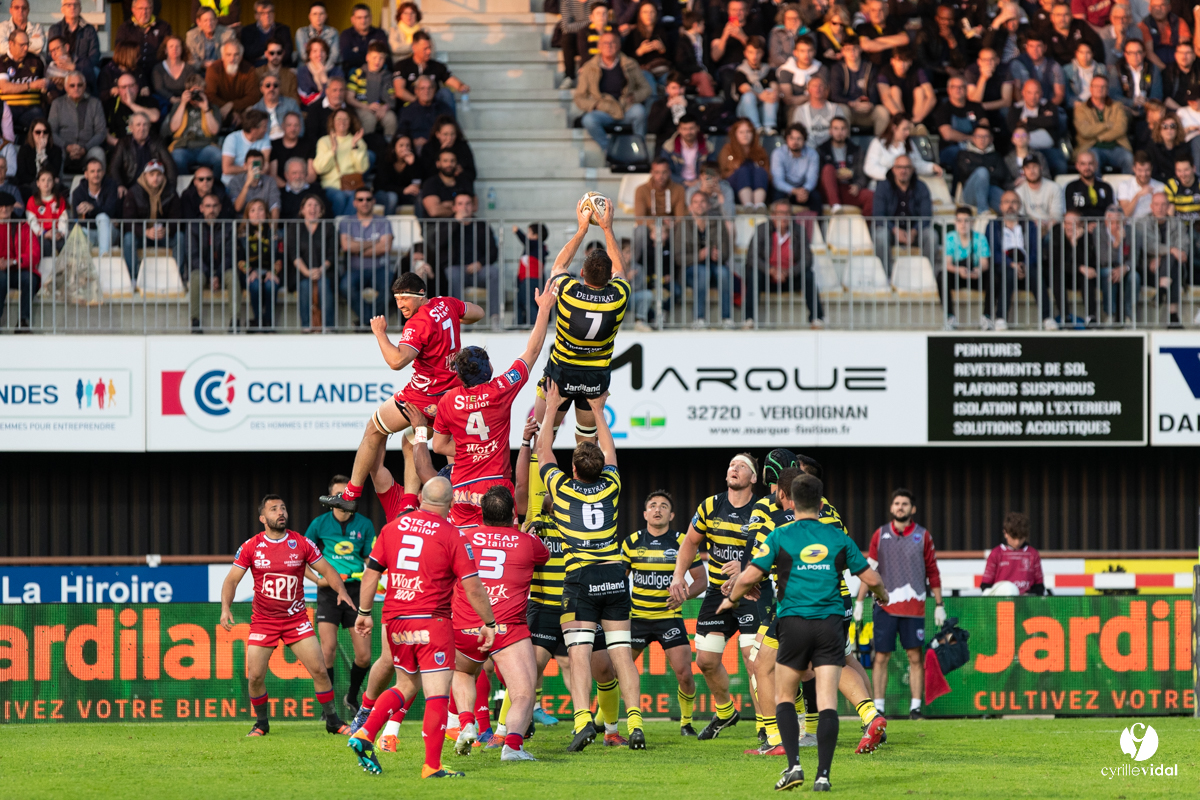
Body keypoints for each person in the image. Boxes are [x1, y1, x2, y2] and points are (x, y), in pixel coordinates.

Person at [726, 472, 888, 792]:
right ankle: (868, 716)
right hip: (835, 604)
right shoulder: (832, 519)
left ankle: (778, 742)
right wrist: (881, 594)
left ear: (785, 494)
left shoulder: (778, 522)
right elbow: (856, 565)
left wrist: (742, 582)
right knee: (837, 663)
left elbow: (760, 561)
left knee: (763, 664)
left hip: (798, 606)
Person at [347, 477, 498, 779]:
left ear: (421, 499)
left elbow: (371, 573)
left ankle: (365, 733)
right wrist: (490, 622)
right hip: (432, 621)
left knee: (405, 685)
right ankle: (432, 766)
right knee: (437, 695)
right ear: (451, 503)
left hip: (395, 620)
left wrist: (363, 612)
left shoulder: (392, 528)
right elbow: (473, 587)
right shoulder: (453, 535)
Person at [537, 379, 644, 751]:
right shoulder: (611, 485)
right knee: (622, 655)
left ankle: (583, 721)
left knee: (578, 653)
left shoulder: (562, 489)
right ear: (601, 468)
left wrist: (552, 405)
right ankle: (636, 725)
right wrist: (598, 409)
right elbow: (610, 450)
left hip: (580, 578)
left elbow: (543, 450)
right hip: (614, 576)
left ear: (573, 468)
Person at [319, 270, 483, 511]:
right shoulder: (446, 304)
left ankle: (350, 495)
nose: (400, 305)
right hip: (449, 398)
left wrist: (379, 333)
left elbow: (396, 361)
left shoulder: (418, 323)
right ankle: (409, 504)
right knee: (411, 440)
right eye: (396, 299)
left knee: (373, 429)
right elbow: (478, 312)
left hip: (421, 397)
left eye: (404, 298)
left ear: (420, 294)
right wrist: (454, 318)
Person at [219, 494, 355, 737]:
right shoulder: (251, 546)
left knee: (320, 671)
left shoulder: (301, 543)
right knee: (255, 677)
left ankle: (333, 721)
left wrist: (342, 591)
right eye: (273, 509)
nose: (281, 512)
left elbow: (327, 570)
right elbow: (231, 580)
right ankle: (262, 724)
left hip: (296, 620)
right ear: (262, 518)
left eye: (283, 508)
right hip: (264, 622)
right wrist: (225, 608)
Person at [431, 285, 553, 529]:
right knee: (501, 545)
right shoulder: (500, 390)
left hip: (462, 489)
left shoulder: (448, 400)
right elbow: (533, 351)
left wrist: (470, 448)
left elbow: (438, 446)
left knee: (467, 548)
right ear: (489, 369)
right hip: (496, 486)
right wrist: (544, 309)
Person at [447, 488, 550, 760]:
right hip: (507, 628)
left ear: (481, 513)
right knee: (524, 693)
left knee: (464, 673)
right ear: (513, 513)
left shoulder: (463, 537)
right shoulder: (528, 542)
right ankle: (513, 747)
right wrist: (524, 532)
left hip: (466, 624)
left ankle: (466, 723)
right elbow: (544, 555)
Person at [668, 454, 763, 740]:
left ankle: (765, 726)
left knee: (754, 661)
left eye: (742, 466)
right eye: (732, 465)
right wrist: (678, 575)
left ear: (754, 478)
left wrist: (746, 568)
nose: (734, 468)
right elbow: (690, 542)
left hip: (752, 593)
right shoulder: (710, 505)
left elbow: (775, 551)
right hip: (717, 593)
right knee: (706, 660)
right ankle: (725, 712)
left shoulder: (762, 509)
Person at [853, 488, 943, 721]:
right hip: (885, 607)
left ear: (913, 509)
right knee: (881, 656)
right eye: (897, 503)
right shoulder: (880, 534)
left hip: (914, 608)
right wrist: (859, 601)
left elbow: (933, 571)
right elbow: (868, 570)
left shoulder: (923, 536)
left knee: (915, 657)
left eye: (905, 504)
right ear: (891, 508)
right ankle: (878, 708)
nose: (900, 507)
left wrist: (939, 604)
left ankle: (915, 709)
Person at [624, 491, 706, 736]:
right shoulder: (631, 542)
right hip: (637, 619)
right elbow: (619, 581)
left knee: (685, 674)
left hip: (669, 619)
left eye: (663, 506)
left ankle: (686, 723)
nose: (657, 509)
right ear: (645, 514)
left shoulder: (683, 542)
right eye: (652, 505)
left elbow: (702, 581)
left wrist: (685, 595)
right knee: (616, 672)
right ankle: (602, 722)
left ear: (671, 515)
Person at [305, 473, 375, 710]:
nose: (343, 498)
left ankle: (352, 698)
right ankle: (329, 709)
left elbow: (370, 559)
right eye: (338, 494)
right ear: (329, 498)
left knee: (364, 656)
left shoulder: (365, 524)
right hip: (329, 592)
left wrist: (376, 575)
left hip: (356, 591)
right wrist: (318, 580)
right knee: (327, 651)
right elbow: (301, 557)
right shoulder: (319, 524)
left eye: (347, 494)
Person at [746, 198, 822, 327]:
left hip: (790, 278)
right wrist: (771, 270)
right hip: (767, 277)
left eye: (787, 213)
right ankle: (749, 319)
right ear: (773, 215)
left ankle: (817, 318)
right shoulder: (762, 229)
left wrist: (789, 272)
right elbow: (752, 256)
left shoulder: (799, 231)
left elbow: (807, 259)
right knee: (754, 274)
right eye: (780, 213)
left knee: (808, 275)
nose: (784, 217)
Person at [989, 189, 1055, 329]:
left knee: (1036, 273)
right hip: (1004, 267)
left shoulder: (1029, 225)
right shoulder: (993, 225)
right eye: (1006, 202)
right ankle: (1000, 318)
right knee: (1008, 272)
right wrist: (1011, 264)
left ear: (1019, 205)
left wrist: (1024, 264)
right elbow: (993, 252)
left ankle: (1047, 318)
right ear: (1000, 206)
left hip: (1027, 265)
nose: (1010, 205)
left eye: (1014, 202)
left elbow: (1035, 250)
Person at [574, 31, 650, 151]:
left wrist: (634, 96)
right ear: (599, 46)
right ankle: (609, 150)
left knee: (639, 111)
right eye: (605, 43)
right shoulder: (589, 67)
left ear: (619, 46)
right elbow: (579, 97)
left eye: (612, 43)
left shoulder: (630, 64)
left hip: (625, 108)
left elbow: (646, 88)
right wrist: (595, 105)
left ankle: (639, 149)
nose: (609, 46)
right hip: (604, 110)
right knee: (588, 120)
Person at [429, 194, 501, 319]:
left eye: (468, 203)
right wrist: (456, 222)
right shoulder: (447, 224)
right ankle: (459, 319)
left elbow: (493, 251)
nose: (464, 207)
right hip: (456, 269)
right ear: (454, 208)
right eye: (460, 204)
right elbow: (438, 243)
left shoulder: (481, 225)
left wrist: (480, 263)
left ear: (473, 207)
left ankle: (495, 318)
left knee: (494, 272)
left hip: (478, 270)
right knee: (452, 274)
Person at [674, 190, 736, 326]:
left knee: (724, 273)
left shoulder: (718, 222)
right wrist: (699, 255)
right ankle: (699, 318)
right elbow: (678, 257)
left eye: (702, 202)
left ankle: (727, 318)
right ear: (690, 206)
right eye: (695, 202)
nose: (699, 205)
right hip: (690, 269)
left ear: (709, 205)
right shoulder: (683, 224)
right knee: (702, 273)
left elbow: (726, 253)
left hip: (714, 266)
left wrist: (717, 255)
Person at [872, 154, 935, 275]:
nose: (903, 171)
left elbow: (926, 215)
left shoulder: (921, 187)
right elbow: (878, 215)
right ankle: (885, 277)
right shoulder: (883, 187)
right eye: (899, 167)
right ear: (893, 169)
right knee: (880, 235)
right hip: (890, 231)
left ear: (912, 170)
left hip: (915, 232)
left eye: (907, 167)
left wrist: (914, 231)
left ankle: (927, 276)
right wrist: (895, 230)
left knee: (932, 236)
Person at [184, 188, 234, 330]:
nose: (211, 210)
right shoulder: (193, 226)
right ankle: (195, 322)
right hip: (202, 270)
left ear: (220, 207)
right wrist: (210, 274)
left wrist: (218, 274)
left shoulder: (228, 226)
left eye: (214, 206)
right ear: (201, 208)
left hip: (222, 270)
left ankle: (235, 322)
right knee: (196, 277)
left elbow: (229, 255)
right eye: (208, 206)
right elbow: (193, 256)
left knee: (233, 276)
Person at [121, 159, 179, 280]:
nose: (155, 178)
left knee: (180, 237)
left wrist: (167, 230)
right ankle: (133, 277)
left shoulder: (171, 192)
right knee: (128, 239)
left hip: (162, 235)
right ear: (145, 175)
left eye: (159, 175)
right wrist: (145, 232)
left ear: (163, 176)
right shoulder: (133, 192)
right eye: (151, 175)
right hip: (141, 235)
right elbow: (128, 221)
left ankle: (178, 276)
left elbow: (177, 218)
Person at [939, 205, 995, 329]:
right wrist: (959, 270)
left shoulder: (980, 238)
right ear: (955, 222)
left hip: (975, 276)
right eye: (959, 221)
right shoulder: (950, 237)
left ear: (972, 222)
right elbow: (948, 264)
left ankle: (987, 317)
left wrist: (978, 270)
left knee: (994, 276)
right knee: (941, 276)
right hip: (958, 276)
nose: (963, 224)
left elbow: (985, 263)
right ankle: (950, 317)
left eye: (966, 221)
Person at [1137, 190, 1188, 327]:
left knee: (1173, 263)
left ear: (1168, 207)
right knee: (1173, 260)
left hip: (1171, 267)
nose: (1160, 208)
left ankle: (1162, 291)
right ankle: (1173, 316)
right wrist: (1170, 251)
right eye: (1156, 204)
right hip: (1150, 270)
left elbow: (1184, 247)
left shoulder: (1178, 223)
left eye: (1163, 204)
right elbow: (1148, 245)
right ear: (1151, 206)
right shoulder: (1142, 223)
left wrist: (1164, 255)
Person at [289, 192, 336, 330]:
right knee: (304, 286)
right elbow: (293, 253)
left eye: (316, 205)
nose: (313, 208)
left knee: (324, 285)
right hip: (301, 271)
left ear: (321, 210)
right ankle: (306, 326)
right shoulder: (295, 227)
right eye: (309, 205)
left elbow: (332, 253)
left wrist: (320, 270)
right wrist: (307, 272)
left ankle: (328, 327)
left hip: (325, 271)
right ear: (302, 210)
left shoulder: (329, 227)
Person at [1006, 79, 1070, 175]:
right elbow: (1014, 129)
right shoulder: (1016, 108)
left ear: (1041, 93)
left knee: (1060, 166)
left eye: (1036, 93)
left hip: (1048, 148)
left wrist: (1029, 120)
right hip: (1025, 149)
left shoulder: (1048, 105)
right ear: (1023, 93)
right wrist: (1042, 121)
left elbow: (1053, 122)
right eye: (1029, 92)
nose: (1033, 97)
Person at [165, 73, 222, 176]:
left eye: (200, 92)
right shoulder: (178, 106)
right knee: (177, 158)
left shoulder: (212, 108)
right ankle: (186, 185)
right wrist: (183, 103)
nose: (196, 95)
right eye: (193, 92)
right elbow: (173, 128)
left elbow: (214, 131)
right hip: (183, 146)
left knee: (219, 157)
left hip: (205, 146)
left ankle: (213, 184)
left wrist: (206, 109)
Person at [1050, 209, 1102, 323]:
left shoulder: (1086, 237)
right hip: (1064, 275)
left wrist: (1075, 244)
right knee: (1057, 274)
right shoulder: (1057, 234)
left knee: (1087, 275)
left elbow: (1088, 261)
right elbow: (1058, 262)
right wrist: (1079, 267)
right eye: (1067, 223)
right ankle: (1065, 316)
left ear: (1081, 225)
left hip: (1079, 277)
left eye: (1074, 224)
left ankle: (1091, 316)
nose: (1070, 227)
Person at [392, 30, 467, 108]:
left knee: (446, 92)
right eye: (425, 49)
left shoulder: (437, 66)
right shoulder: (402, 65)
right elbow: (399, 91)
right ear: (414, 48)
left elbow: (452, 81)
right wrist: (420, 103)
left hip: (433, 107)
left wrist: (461, 86)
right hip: (411, 107)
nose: (429, 52)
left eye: (430, 48)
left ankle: (448, 116)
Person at [313, 108, 367, 217]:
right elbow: (319, 169)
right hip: (331, 187)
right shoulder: (324, 141)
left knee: (356, 198)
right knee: (339, 197)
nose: (342, 122)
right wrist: (332, 150)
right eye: (338, 119)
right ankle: (341, 225)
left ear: (350, 122)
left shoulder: (358, 141)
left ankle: (341, 226)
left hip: (352, 186)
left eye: (346, 119)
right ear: (333, 122)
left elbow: (362, 169)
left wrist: (354, 147)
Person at [829, 39, 889, 136]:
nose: (852, 52)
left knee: (882, 112)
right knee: (841, 109)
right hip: (849, 108)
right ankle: (844, 143)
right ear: (843, 51)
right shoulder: (837, 68)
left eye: (855, 48)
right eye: (848, 49)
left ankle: (880, 144)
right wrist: (851, 103)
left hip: (866, 109)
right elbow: (835, 95)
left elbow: (875, 92)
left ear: (860, 49)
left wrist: (870, 104)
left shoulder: (869, 67)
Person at [237, 197, 281, 328]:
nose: (257, 213)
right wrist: (250, 271)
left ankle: (268, 321)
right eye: (253, 210)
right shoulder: (241, 235)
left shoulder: (274, 234)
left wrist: (272, 272)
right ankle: (258, 320)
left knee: (270, 285)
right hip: (250, 272)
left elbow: (279, 257)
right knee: (255, 285)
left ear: (266, 214)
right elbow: (239, 259)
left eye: (260, 209)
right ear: (247, 215)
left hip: (270, 271)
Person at [979, 512, 1046, 595]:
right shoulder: (996, 553)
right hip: (1001, 600)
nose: (1017, 542)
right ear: (1005, 533)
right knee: (1009, 589)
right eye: (1014, 538)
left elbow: (1039, 587)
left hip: (1025, 601)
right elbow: (986, 586)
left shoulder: (1032, 554)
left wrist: (1028, 595)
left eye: (1021, 538)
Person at [864, 113, 941, 184]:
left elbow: (916, 164)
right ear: (894, 128)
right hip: (882, 185)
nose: (907, 133)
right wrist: (893, 176)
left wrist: (932, 167)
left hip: (904, 187)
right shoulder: (878, 143)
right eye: (904, 129)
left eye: (909, 129)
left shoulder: (909, 144)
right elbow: (870, 167)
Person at [818, 115, 872, 214]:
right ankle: (835, 205)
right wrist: (834, 176)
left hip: (848, 189)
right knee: (828, 168)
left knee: (870, 196)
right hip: (827, 191)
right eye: (836, 128)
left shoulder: (856, 150)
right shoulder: (821, 150)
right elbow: (817, 175)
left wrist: (858, 185)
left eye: (843, 129)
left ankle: (864, 224)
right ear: (830, 131)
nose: (839, 132)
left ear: (847, 131)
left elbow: (862, 173)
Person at [110, 112, 176, 193]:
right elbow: (114, 167)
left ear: (149, 126)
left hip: (154, 188)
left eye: (145, 125)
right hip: (130, 188)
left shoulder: (158, 141)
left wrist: (170, 187)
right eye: (138, 125)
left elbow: (170, 164)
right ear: (131, 128)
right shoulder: (123, 143)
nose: (142, 128)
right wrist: (119, 185)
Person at [1096, 205, 1140, 324]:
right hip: (1106, 268)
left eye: (1119, 222)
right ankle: (1110, 315)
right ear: (1106, 222)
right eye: (1112, 222)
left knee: (1134, 277)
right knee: (1109, 273)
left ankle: (1129, 317)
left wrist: (1125, 268)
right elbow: (1103, 259)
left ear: (1124, 221)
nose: (1116, 226)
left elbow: (1135, 257)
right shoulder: (1099, 231)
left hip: (1126, 269)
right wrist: (1116, 243)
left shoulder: (1132, 232)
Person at [727, 35, 778, 136]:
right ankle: (755, 128)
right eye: (751, 52)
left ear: (762, 53)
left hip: (764, 109)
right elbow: (744, 88)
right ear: (745, 53)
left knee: (771, 92)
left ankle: (769, 127)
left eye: (757, 52)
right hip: (745, 111)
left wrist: (773, 94)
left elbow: (775, 86)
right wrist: (760, 96)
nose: (754, 56)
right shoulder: (741, 71)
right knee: (748, 96)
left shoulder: (768, 70)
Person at [0, 188, 37, 329]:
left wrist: (14, 261)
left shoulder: (23, 227)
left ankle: (23, 321)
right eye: (1, 206)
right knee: (1, 278)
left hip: (16, 270)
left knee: (30, 279)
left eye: (7, 206)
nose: (4, 209)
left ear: (12, 208)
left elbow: (34, 253)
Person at [113, 0, 171, 89]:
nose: (144, 12)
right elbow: (119, 54)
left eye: (147, 8)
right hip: (132, 75)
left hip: (157, 74)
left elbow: (169, 52)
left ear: (152, 9)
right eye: (140, 8)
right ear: (133, 10)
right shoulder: (124, 28)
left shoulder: (163, 27)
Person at [622, 1, 671, 101]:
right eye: (645, 12)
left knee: (671, 82)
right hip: (643, 71)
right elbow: (626, 59)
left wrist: (663, 49)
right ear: (639, 14)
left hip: (662, 69)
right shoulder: (633, 34)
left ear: (656, 14)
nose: (648, 15)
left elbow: (674, 57)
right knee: (648, 83)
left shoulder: (663, 31)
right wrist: (639, 52)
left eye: (651, 12)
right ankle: (652, 108)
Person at [69, 157, 120, 255]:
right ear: (86, 174)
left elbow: (110, 210)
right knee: (77, 231)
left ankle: (103, 257)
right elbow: (77, 220)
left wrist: (92, 208)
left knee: (102, 217)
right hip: (89, 233)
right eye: (92, 171)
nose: (96, 174)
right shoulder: (78, 193)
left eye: (99, 171)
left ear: (103, 173)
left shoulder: (111, 186)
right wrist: (85, 213)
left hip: (109, 232)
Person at [206, 39, 260, 129]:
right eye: (228, 55)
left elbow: (253, 97)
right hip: (220, 110)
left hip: (242, 111)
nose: (232, 59)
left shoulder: (249, 70)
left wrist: (231, 105)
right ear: (222, 56)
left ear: (241, 56)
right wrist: (230, 109)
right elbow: (209, 95)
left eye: (236, 54)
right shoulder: (213, 69)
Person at [954, 123, 1007, 213]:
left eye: (985, 136)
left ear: (991, 139)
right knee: (982, 172)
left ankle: (1012, 220)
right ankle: (983, 211)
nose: (982, 139)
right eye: (979, 136)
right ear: (973, 138)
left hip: (991, 190)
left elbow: (1001, 174)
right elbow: (965, 171)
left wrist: (976, 168)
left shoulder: (996, 156)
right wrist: (988, 170)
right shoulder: (964, 154)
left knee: (1008, 201)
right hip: (970, 193)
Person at [0, 29, 45, 136]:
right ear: (11, 43)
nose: (26, 48)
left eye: (27, 44)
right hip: (8, 108)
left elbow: (43, 83)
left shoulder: (36, 61)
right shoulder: (2, 61)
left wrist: (46, 85)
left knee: (40, 125)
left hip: (31, 108)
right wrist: (30, 85)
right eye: (22, 45)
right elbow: (5, 87)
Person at [879, 47, 935, 131]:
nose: (902, 65)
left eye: (905, 61)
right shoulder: (885, 71)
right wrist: (902, 119)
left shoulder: (917, 70)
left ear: (910, 62)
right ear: (892, 61)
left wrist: (918, 119)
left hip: (916, 111)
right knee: (895, 90)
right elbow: (885, 98)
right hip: (897, 112)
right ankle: (902, 124)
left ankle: (916, 126)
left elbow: (931, 97)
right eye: (898, 61)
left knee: (919, 91)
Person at [347, 40, 395, 138]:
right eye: (374, 57)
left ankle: (389, 144)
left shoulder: (387, 77)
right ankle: (366, 144)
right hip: (362, 108)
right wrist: (366, 107)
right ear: (367, 57)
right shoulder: (357, 74)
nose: (377, 61)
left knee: (391, 119)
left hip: (381, 109)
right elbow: (349, 98)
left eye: (381, 58)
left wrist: (385, 107)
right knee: (369, 119)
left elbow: (392, 97)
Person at [718, 118, 769, 207]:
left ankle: (759, 205)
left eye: (748, 132)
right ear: (735, 134)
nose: (745, 135)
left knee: (760, 171)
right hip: (734, 187)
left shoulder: (760, 151)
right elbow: (722, 173)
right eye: (741, 132)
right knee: (743, 171)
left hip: (756, 185)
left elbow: (767, 172)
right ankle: (747, 205)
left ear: (753, 133)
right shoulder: (727, 149)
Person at [47, 0, 97, 91]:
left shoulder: (89, 30)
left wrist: (75, 67)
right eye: (68, 5)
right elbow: (51, 54)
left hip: (82, 71)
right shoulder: (55, 29)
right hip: (60, 70)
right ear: (62, 9)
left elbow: (94, 57)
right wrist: (62, 67)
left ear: (80, 8)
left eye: (75, 4)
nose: (73, 7)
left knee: (95, 72)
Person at [770, 122, 820, 211]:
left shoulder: (812, 154)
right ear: (786, 139)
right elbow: (778, 181)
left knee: (816, 197)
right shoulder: (778, 153)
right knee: (777, 197)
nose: (795, 142)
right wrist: (794, 191)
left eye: (799, 138)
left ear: (804, 139)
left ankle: (818, 221)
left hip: (803, 189)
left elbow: (812, 179)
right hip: (785, 189)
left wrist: (804, 191)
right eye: (791, 138)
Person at [397, 75, 452, 152]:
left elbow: (452, 130)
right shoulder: (407, 111)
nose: (426, 91)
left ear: (434, 90)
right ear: (416, 91)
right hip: (416, 149)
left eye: (429, 88)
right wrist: (413, 141)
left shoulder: (444, 109)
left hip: (439, 148)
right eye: (422, 88)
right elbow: (401, 133)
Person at [791, 75, 846, 149]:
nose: (817, 89)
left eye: (821, 86)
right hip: (807, 151)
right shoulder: (800, 111)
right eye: (814, 86)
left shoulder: (836, 109)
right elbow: (796, 134)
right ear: (808, 90)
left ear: (826, 89)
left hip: (831, 151)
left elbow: (843, 133)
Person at [776, 35, 825, 113]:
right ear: (795, 52)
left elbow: (825, 94)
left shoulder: (821, 68)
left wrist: (802, 98)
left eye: (810, 50)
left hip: (818, 106)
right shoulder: (786, 70)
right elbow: (788, 100)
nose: (806, 55)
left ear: (814, 52)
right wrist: (811, 97)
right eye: (802, 51)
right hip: (794, 109)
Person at [221, 108, 270, 185]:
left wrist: (261, 168)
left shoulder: (264, 137)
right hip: (231, 183)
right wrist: (248, 168)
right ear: (253, 129)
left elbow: (265, 164)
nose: (266, 130)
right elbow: (227, 169)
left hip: (255, 183)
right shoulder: (232, 139)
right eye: (264, 127)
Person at [374, 134, 421, 215]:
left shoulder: (414, 161)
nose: (405, 148)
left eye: (408, 145)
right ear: (394, 147)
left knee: (420, 195)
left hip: (404, 193)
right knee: (393, 197)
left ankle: (421, 223)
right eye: (401, 145)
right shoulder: (385, 160)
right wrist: (403, 190)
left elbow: (416, 183)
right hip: (383, 193)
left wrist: (412, 165)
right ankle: (388, 223)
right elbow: (383, 185)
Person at [854, 0, 910, 67]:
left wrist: (876, 40)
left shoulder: (894, 25)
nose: (877, 13)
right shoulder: (862, 28)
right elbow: (866, 46)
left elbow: (905, 39)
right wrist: (894, 43)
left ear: (886, 11)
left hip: (892, 68)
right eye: (873, 10)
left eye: (880, 10)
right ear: (869, 12)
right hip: (871, 68)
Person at [24, 168, 65, 258]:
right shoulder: (32, 200)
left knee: (63, 244)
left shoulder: (60, 200)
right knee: (45, 245)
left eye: (49, 180)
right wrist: (44, 233)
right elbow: (32, 222)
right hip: (40, 235)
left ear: (53, 183)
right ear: (38, 183)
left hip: (56, 233)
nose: (46, 183)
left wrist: (60, 233)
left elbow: (63, 219)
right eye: (43, 180)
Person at [674, 10, 716, 98]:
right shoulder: (682, 41)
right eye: (702, 24)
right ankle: (712, 102)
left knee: (706, 79)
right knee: (703, 77)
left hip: (703, 72)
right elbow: (681, 64)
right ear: (695, 25)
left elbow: (707, 60)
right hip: (688, 74)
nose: (704, 27)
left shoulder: (702, 39)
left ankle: (707, 103)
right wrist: (701, 70)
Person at [251, 71, 301, 143]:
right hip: (265, 145)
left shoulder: (291, 105)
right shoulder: (255, 109)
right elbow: (254, 136)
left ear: (279, 88)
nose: (272, 88)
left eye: (275, 85)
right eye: (268, 85)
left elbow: (301, 130)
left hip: (287, 143)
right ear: (261, 89)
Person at [419, 149, 471, 219]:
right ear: (438, 164)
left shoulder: (464, 182)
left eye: (452, 161)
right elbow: (434, 211)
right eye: (445, 161)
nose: (449, 164)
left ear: (457, 163)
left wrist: (446, 205)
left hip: (461, 224)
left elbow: (474, 206)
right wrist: (458, 208)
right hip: (436, 225)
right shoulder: (430, 183)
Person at [15, 121, 61, 200]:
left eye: (45, 132)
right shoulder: (25, 150)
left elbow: (55, 172)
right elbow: (22, 174)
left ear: (49, 134)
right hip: (29, 183)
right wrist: (38, 182)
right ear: (32, 134)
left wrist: (43, 156)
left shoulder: (56, 150)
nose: (41, 135)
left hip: (49, 183)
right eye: (38, 132)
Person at [660, 114, 710, 186]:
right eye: (684, 129)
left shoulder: (708, 147)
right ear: (679, 129)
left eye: (691, 128)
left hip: (701, 184)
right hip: (676, 184)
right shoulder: (668, 147)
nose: (688, 132)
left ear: (697, 128)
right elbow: (666, 170)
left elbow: (711, 170)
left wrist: (699, 181)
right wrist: (683, 182)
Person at [228, 148, 279, 218]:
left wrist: (273, 225)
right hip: (242, 222)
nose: (255, 168)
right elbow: (237, 208)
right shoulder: (235, 181)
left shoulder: (270, 181)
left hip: (263, 222)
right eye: (252, 164)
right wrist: (247, 183)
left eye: (258, 164)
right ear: (245, 166)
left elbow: (275, 206)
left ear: (263, 166)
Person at [1014, 155, 1066, 223]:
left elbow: (1057, 215)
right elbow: (1021, 217)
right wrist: (1035, 226)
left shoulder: (1054, 188)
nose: (1031, 171)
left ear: (1041, 168)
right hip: (1029, 227)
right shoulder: (1018, 192)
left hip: (1052, 227)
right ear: (1023, 171)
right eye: (1028, 168)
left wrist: (1046, 226)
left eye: (1034, 166)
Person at [1139, 0, 1189, 71]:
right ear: (1149, 8)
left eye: (1162, 5)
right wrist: (1165, 70)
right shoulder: (1144, 25)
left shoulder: (1179, 22)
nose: (1158, 9)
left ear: (1169, 7)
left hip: (1178, 64)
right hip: (1155, 66)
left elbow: (1184, 47)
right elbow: (1149, 52)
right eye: (1155, 6)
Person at [339, 3, 387, 76]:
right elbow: (347, 56)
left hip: (377, 69)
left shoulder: (379, 33)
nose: (363, 21)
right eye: (359, 18)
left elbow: (384, 53)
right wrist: (371, 57)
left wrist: (358, 54)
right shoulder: (346, 34)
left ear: (370, 17)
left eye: (366, 17)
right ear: (352, 19)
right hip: (354, 70)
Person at [1065, 148, 1115, 215]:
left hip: (1102, 222)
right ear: (1077, 166)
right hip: (1079, 222)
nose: (1087, 167)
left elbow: (1111, 212)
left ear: (1096, 165)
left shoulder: (1106, 187)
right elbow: (1070, 213)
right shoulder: (1071, 187)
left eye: (1090, 163)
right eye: (1083, 164)